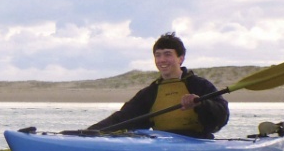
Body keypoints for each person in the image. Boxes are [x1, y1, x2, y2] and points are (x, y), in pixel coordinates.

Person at [88, 32, 229, 138]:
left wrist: (201, 104)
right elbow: (123, 118)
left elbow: (222, 116)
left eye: (167, 54)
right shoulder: (150, 92)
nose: (162, 60)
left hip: (197, 142)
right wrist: (89, 133)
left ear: (181, 58)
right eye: (158, 55)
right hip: (163, 144)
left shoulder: (199, 85)